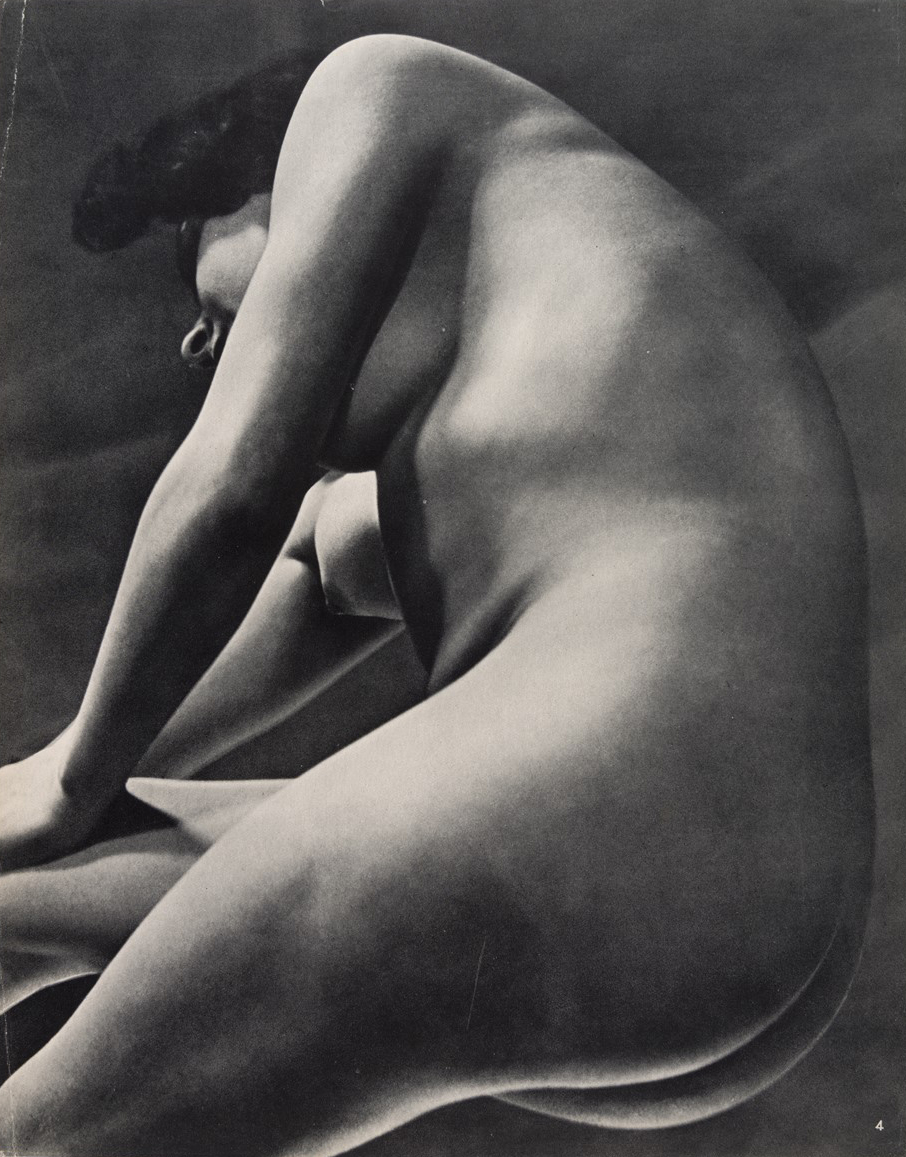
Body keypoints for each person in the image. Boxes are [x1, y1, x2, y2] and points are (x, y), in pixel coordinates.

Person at [0, 33, 873, 1156]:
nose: (192, 338)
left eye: (201, 258)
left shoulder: (373, 85)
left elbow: (233, 492)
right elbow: (321, 569)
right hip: (742, 920)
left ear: (281, 186)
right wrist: (79, 776)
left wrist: (70, 779)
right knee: (21, 902)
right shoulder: (550, 398)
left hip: (617, 789)